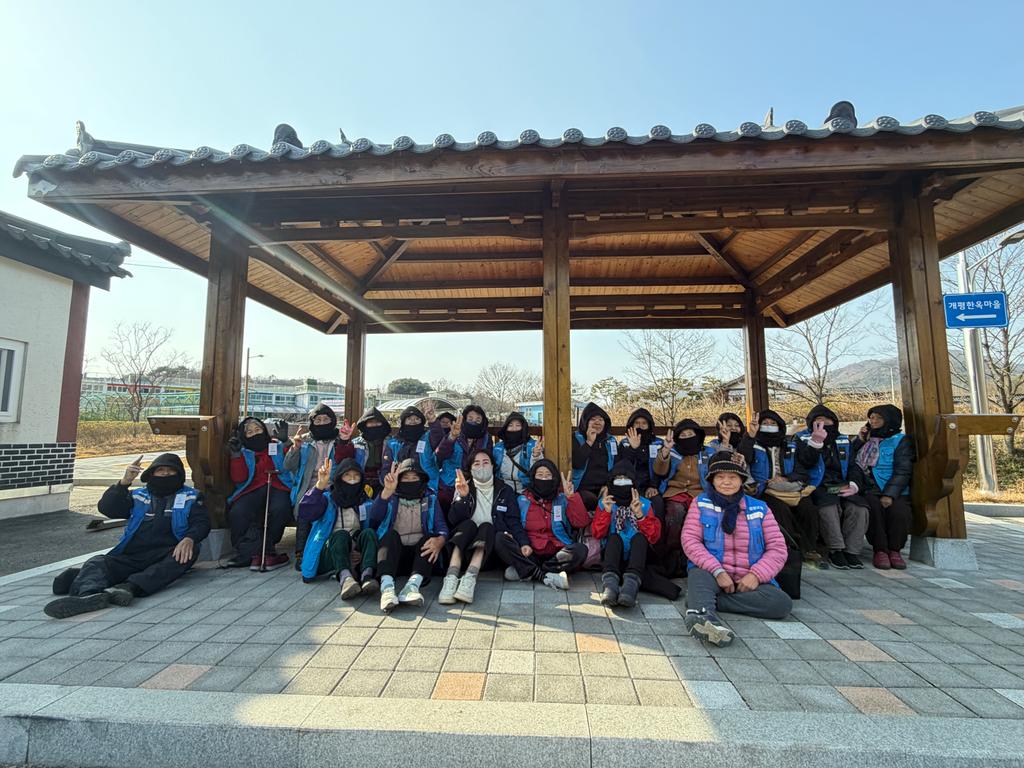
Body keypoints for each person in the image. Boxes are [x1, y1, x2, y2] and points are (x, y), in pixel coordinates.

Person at [45, 453, 210, 619]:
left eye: (171, 471)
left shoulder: (191, 496)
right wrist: (124, 483)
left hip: (167, 553)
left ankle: (129, 587)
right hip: (131, 554)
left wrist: (190, 538)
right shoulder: (138, 495)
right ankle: (88, 595)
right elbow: (108, 509)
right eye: (161, 470)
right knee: (98, 561)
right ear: (152, 474)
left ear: (179, 475)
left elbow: (201, 522)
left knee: (188, 553)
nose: (166, 474)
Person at [682, 452, 792, 646]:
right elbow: (691, 541)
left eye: (732, 477)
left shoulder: (760, 508)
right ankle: (705, 619)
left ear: (741, 480)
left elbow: (777, 549)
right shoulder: (700, 503)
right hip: (713, 573)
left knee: (781, 604)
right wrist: (717, 571)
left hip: (748, 578)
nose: (726, 482)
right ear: (712, 480)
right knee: (698, 575)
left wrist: (756, 575)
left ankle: (703, 602)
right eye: (720, 477)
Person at [495, 459, 591, 590]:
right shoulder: (522, 500)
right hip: (529, 552)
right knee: (501, 538)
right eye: (540, 475)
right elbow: (515, 525)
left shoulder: (562, 499)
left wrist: (571, 497)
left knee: (580, 550)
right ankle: (545, 575)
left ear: (554, 478)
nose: (544, 478)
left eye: (548, 475)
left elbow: (581, 522)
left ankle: (527, 570)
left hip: (556, 554)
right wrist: (523, 543)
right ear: (533, 478)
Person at [439, 448, 518, 604]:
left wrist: (520, 541)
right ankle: (451, 578)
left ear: (492, 465)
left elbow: (514, 520)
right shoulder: (463, 486)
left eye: (485, 462)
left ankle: (469, 580)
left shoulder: (505, 490)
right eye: (476, 463)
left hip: (487, 554)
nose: (482, 466)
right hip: (462, 547)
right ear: (470, 468)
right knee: (468, 525)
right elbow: (454, 519)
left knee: (487, 526)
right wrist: (462, 497)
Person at [370, 459, 448, 613]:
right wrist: (386, 492)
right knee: (389, 535)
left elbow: (442, 528)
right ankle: (386, 589)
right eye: (405, 478)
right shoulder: (391, 497)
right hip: (393, 556)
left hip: (418, 558)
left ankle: (412, 587)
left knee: (429, 539)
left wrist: (441, 539)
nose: (410, 481)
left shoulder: (430, 498)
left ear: (422, 480)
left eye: (414, 478)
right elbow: (374, 518)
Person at [283, 404, 355, 570]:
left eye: (326, 419)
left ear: (332, 421)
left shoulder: (339, 439)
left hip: (332, 486)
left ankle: (324, 551)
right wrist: (295, 448)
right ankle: (300, 553)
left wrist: (344, 442)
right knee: (305, 505)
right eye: (318, 419)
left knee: (327, 506)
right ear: (312, 421)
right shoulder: (306, 440)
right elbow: (288, 466)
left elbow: (347, 462)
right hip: (308, 486)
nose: (322, 422)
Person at [795, 405, 867, 570]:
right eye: (818, 420)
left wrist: (855, 484)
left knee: (859, 507)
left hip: (840, 483)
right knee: (828, 506)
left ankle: (852, 551)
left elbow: (854, 466)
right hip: (817, 484)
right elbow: (804, 463)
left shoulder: (843, 440)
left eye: (827, 420)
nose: (823, 423)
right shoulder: (802, 439)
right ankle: (836, 549)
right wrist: (815, 443)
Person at [297, 457, 378, 598]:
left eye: (356, 477)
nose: (352, 480)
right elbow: (306, 512)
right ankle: (346, 579)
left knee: (369, 533)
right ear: (340, 478)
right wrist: (319, 486)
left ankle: (367, 577)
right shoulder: (327, 499)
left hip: (354, 551)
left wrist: (362, 551)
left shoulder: (365, 502)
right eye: (347, 476)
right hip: (329, 550)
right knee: (340, 534)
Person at [849, 404, 913, 570]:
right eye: (872, 418)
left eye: (878, 418)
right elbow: (851, 459)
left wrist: (890, 494)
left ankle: (894, 550)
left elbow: (903, 470)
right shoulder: (867, 439)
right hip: (869, 487)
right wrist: (859, 440)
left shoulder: (900, 440)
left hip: (894, 489)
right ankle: (880, 550)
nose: (874, 421)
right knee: (873, 509)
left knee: (899, 513)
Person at [224, 417, 293, 571]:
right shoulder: (243, 451)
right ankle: (246, 549)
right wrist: (235, 456)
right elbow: (239, 478)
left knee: (280, 508)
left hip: (277, 484)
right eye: (250, 432)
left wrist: (286, 443)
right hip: (252, 487)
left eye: (258, 429)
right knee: (239, 510)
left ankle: (268, 546)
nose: (255, 433)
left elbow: (288, 465)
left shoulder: (275, 445)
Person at [591, 460, 662, 608]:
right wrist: (606, 512)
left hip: (637, 557)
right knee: (614, 538)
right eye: (618, 479)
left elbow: (654, 537)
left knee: (639, 538)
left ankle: (631, 586)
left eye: (626, 479)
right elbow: (597, 533)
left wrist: (640, 516)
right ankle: (610, 586)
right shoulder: (605, 502)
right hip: (613, 554)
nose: (622, 483)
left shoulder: (645, 504)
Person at [651, 419, 715, 576]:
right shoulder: (673, 451)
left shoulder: (708, 452)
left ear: (698, 435)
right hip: (675, 492)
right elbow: (659, 471)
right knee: (675, 514)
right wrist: (665, 452)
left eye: (690, 434)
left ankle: (698, 557)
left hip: (701, 494)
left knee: (701, 519)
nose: (687, 437)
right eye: (683, 435)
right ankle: (673, 557)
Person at [435, 405, 493, 512]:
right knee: (443, 503)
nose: (473, 422)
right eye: (470, 419)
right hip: (450, 481)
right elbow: (440, 455)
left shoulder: (486, 438)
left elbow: (488, 458)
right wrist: (452, 437)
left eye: (478, 420)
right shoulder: (455, 433)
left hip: (475, 482)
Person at [382, 405, 440, 493]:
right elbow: (386, 467)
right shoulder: (392, 443)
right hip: (401, 485)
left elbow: (438, 437)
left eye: (417, 418)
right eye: (409, 419)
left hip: (428, 485)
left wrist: (433, 421)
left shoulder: (428, 437)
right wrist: (389, 483)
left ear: (422, 421)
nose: (413, 421)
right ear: (403, 422)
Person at [571, 402, 616, 509]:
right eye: (593, 419)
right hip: (582, 487)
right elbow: (576, 463)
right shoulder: (576, 438)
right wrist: (589, 442)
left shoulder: (610, 441)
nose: (597, 422)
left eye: (600, 419)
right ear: (585, 422)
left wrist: (609, 485)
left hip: (605, 486)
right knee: (590, 500)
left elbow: (616, 464)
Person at [619, 408, 664, 502]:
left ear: (649, 425)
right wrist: (633, 448)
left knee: (657, 502)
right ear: (632, 425)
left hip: (652, 485)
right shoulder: (625, 443)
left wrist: (653, 486)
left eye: (644, 423)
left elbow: (662, 468)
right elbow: (621, 467)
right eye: (637, 423)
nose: (640, 426)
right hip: (629, 485)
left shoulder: (659, 443)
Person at [492, 411, 543, 494]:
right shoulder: (498, 447)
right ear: (506, 428)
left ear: (523, 428)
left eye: (518, 425)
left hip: (525, 490)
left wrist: (536, 455)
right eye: (510, 425)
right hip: (503, 490)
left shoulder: (532, 446)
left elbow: (537, 469)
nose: (514, 428)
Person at [351, 406, 391, 494]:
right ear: (364, 424)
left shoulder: (390, 443)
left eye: (377, 422)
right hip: (361, 480)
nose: (374, 425)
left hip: (385, 481)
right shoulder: (355, 443)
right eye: (370, 422)